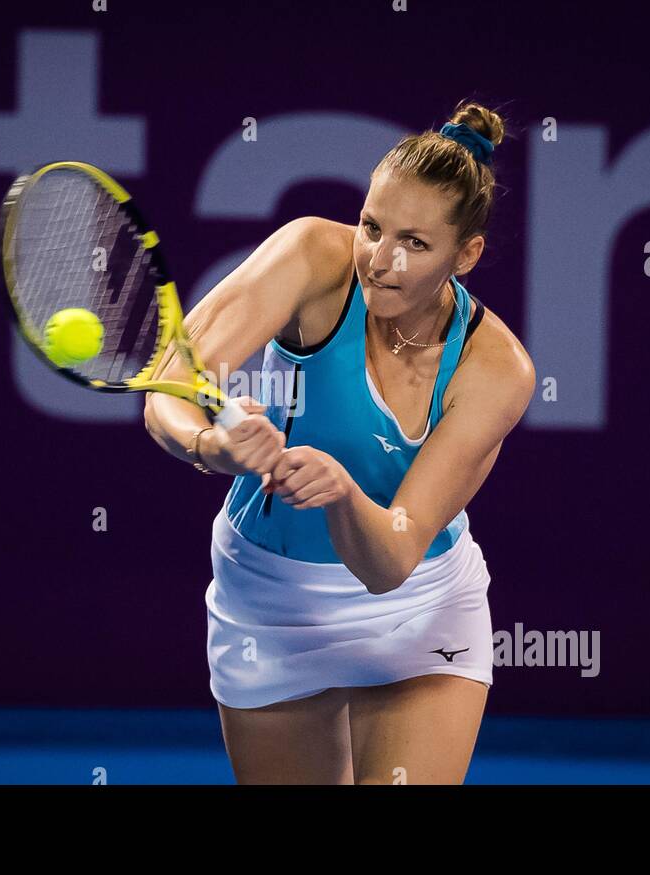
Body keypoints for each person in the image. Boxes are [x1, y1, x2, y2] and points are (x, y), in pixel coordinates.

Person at [144, 100, 535, 784]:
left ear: (465, 255)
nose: (381, 261)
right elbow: (172, 385)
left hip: (419, 612)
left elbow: (390, 562)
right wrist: (212, 445)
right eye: (371, 226)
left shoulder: (496, 370)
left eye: (415, 243)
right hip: (269, 601)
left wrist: (340, 492)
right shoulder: (311, 258)